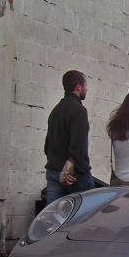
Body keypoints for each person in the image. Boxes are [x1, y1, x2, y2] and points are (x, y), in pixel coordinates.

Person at [44, 70, 94, 204]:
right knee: (86, 215)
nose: (86, 89)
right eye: (85, 85)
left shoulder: (55, 111)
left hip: (53, 171)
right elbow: (78, 147)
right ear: (78, 86)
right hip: (73, 174)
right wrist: (75, 171)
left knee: (54, 217)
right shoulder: (79, 111)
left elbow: (47, 145)